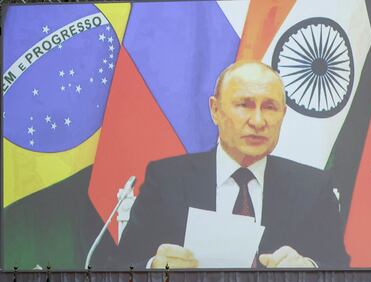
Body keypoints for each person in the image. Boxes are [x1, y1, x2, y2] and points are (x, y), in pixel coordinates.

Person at [111, 60, 348, 269]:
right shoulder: (166, 180)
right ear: (215, 110)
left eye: (269, 107)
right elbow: (121, 267)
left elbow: (340, 270)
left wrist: (311, 268)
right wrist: (155, 266)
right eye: (244, 104)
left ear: (283, 115)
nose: (257, 121)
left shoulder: (313, 187)